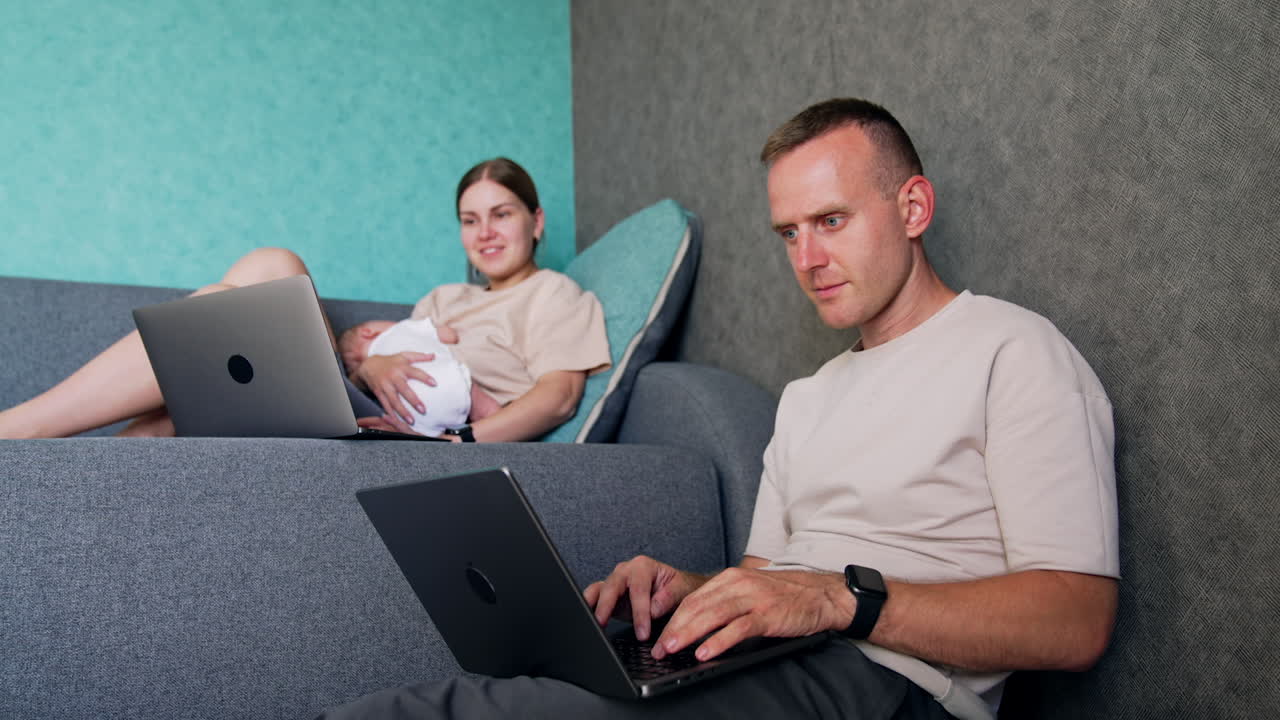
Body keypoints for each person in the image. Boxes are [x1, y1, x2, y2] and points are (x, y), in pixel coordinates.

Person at [316, 98, 1119, 720]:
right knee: (527, 679)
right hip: (789, 657)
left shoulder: (1013, 350)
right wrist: (689, 587)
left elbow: (1076, 623)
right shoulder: (809, 397)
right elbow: (770, 581)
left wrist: (844, 597)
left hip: (894, 687)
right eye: (789, 233)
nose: (808, 259)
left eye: (832, 221)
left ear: (912, 208)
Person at [0, 157, 611, 442]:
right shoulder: (444, 296)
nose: (484, 232)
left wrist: (464, 445)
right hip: (356, 395)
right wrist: (367, 360)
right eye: (469, 219)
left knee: (225, 302)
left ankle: (20, 431)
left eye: (500, 214)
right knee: (271, 265)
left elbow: (557, 399)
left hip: (395, 430)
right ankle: (98, 461)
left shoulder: (554, 294)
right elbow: (370, 351)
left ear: (536, 220)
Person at [337, 318, 501, 437]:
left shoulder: (376, 378)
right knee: (488, 411)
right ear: (368, 332)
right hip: (444, 380)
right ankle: (499, 429)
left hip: (417, 416)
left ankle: (429, 434)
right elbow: (449, 336)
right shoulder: (403, 327)